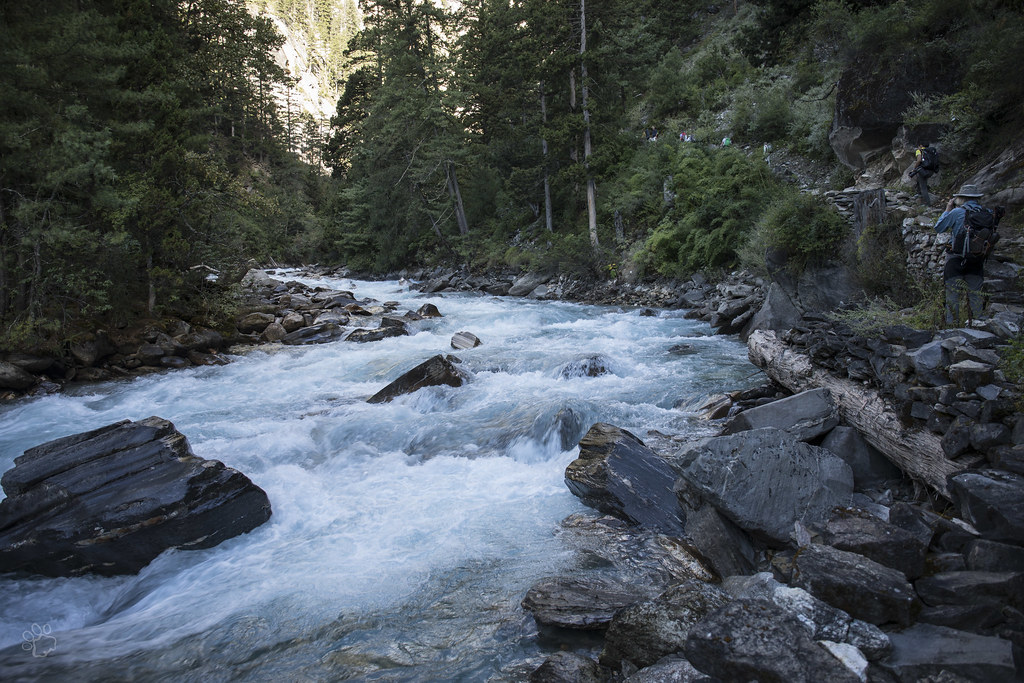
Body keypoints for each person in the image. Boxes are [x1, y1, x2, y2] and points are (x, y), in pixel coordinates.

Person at [934, 183, 987, 325]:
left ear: (961, 198)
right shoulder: (985, 212)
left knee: (952, 294)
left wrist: (947, 209)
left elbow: (939, 228)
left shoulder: (957, 212)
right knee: (975, 294)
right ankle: (978, 324)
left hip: (956, 257)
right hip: (977, 259)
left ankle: (952, 326)